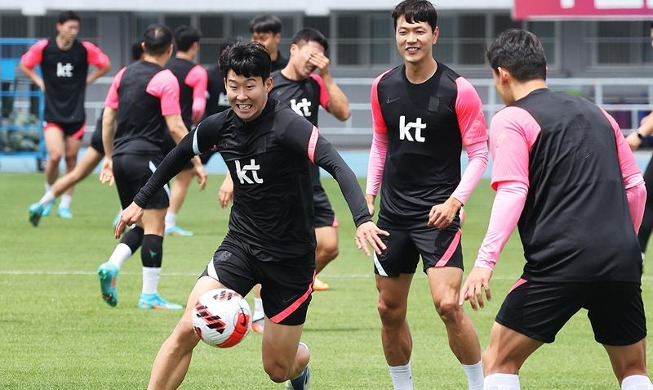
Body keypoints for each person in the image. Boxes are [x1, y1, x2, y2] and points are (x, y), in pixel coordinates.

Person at [114, 41, 387, 390]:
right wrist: (139, 201)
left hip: (290, 261)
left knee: (277, 369)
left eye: (249, 86)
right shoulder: (218, 125)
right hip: (240, 247)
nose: (241, 96)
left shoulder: (290, 127)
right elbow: (177, 155)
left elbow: (337, 166)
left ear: (267, 85)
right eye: (233, 86)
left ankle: (299, 365)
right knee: (187, 328)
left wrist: (362, 218)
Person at [460, 29, 651, 390]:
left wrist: (484, 263)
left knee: (499, 360)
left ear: (502, 74)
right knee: (633, 370)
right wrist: (624, 242)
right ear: (543, 68)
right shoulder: (600, 115)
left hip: (562, 259)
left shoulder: (511, 118)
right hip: (621, 257)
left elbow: (513, 191)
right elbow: (636, 188)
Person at [365, 1, 489, 389]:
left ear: (435, 35)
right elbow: (381, 142)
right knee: (388, 309)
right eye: (404, 30)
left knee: (448, 305)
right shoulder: (383, 85)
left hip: (439, 214)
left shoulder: (459, 90)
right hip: (393, 217)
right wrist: (370, 194)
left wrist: (456, 201)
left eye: (419, 31)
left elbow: (480, 154)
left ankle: (479, 384)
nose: (411, 38)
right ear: (396, 35)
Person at [220, 27, 351, 333]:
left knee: (329, 246)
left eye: (320, 57)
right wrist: (231, 176)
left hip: (309, 183)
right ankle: (258, 311)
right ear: (294, 50)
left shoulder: (316, 84)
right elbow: (242, 135)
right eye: (310, 55)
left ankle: (288, 293)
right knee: (262, 245)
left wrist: (327, 76)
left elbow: (343, 113)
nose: (314, 62)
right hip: (269, 182)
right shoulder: (268, 84)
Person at [97, 24, 207, 310]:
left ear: (143, 46)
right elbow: (174, 124)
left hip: (121, 157)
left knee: (141, 220)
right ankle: (149, 295)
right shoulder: (165, 78)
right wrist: (196, 159)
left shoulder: (123, 73)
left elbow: (108, 118)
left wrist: (109, 156)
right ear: (170, 49)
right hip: (147, 158)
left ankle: (112, 265)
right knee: (156, 226)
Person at [27, 41, 144, 227]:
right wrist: (109, 153)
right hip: (123, 136)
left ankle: (42, 203)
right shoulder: (149, 76)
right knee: (138, 176)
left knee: (77, 172)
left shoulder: (123, 74)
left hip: (102, 133)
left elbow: (109, 110)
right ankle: (124, 215)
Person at [20, 10, 111, 219]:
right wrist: (39, 81)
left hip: (76, 113)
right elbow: (25, 64)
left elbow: (105, 64)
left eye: (76, 28)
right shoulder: (44, 48)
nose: (74, 31)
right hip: (53, 112)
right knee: (55, 155)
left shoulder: (84, 49)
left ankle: (65, 204)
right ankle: (49, 194)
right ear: (59, 27)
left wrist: (89, 79)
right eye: (70, 27)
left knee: (71, 159)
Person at [162, 25, 209, 237]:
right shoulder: (196, 72)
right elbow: (198, 107)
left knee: (150, 170)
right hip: (179, 128)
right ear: (195, 46)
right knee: (185, 174)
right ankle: (169, 222)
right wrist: (193, 122)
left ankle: (123, 211)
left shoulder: (164, 67)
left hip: (156, 127)